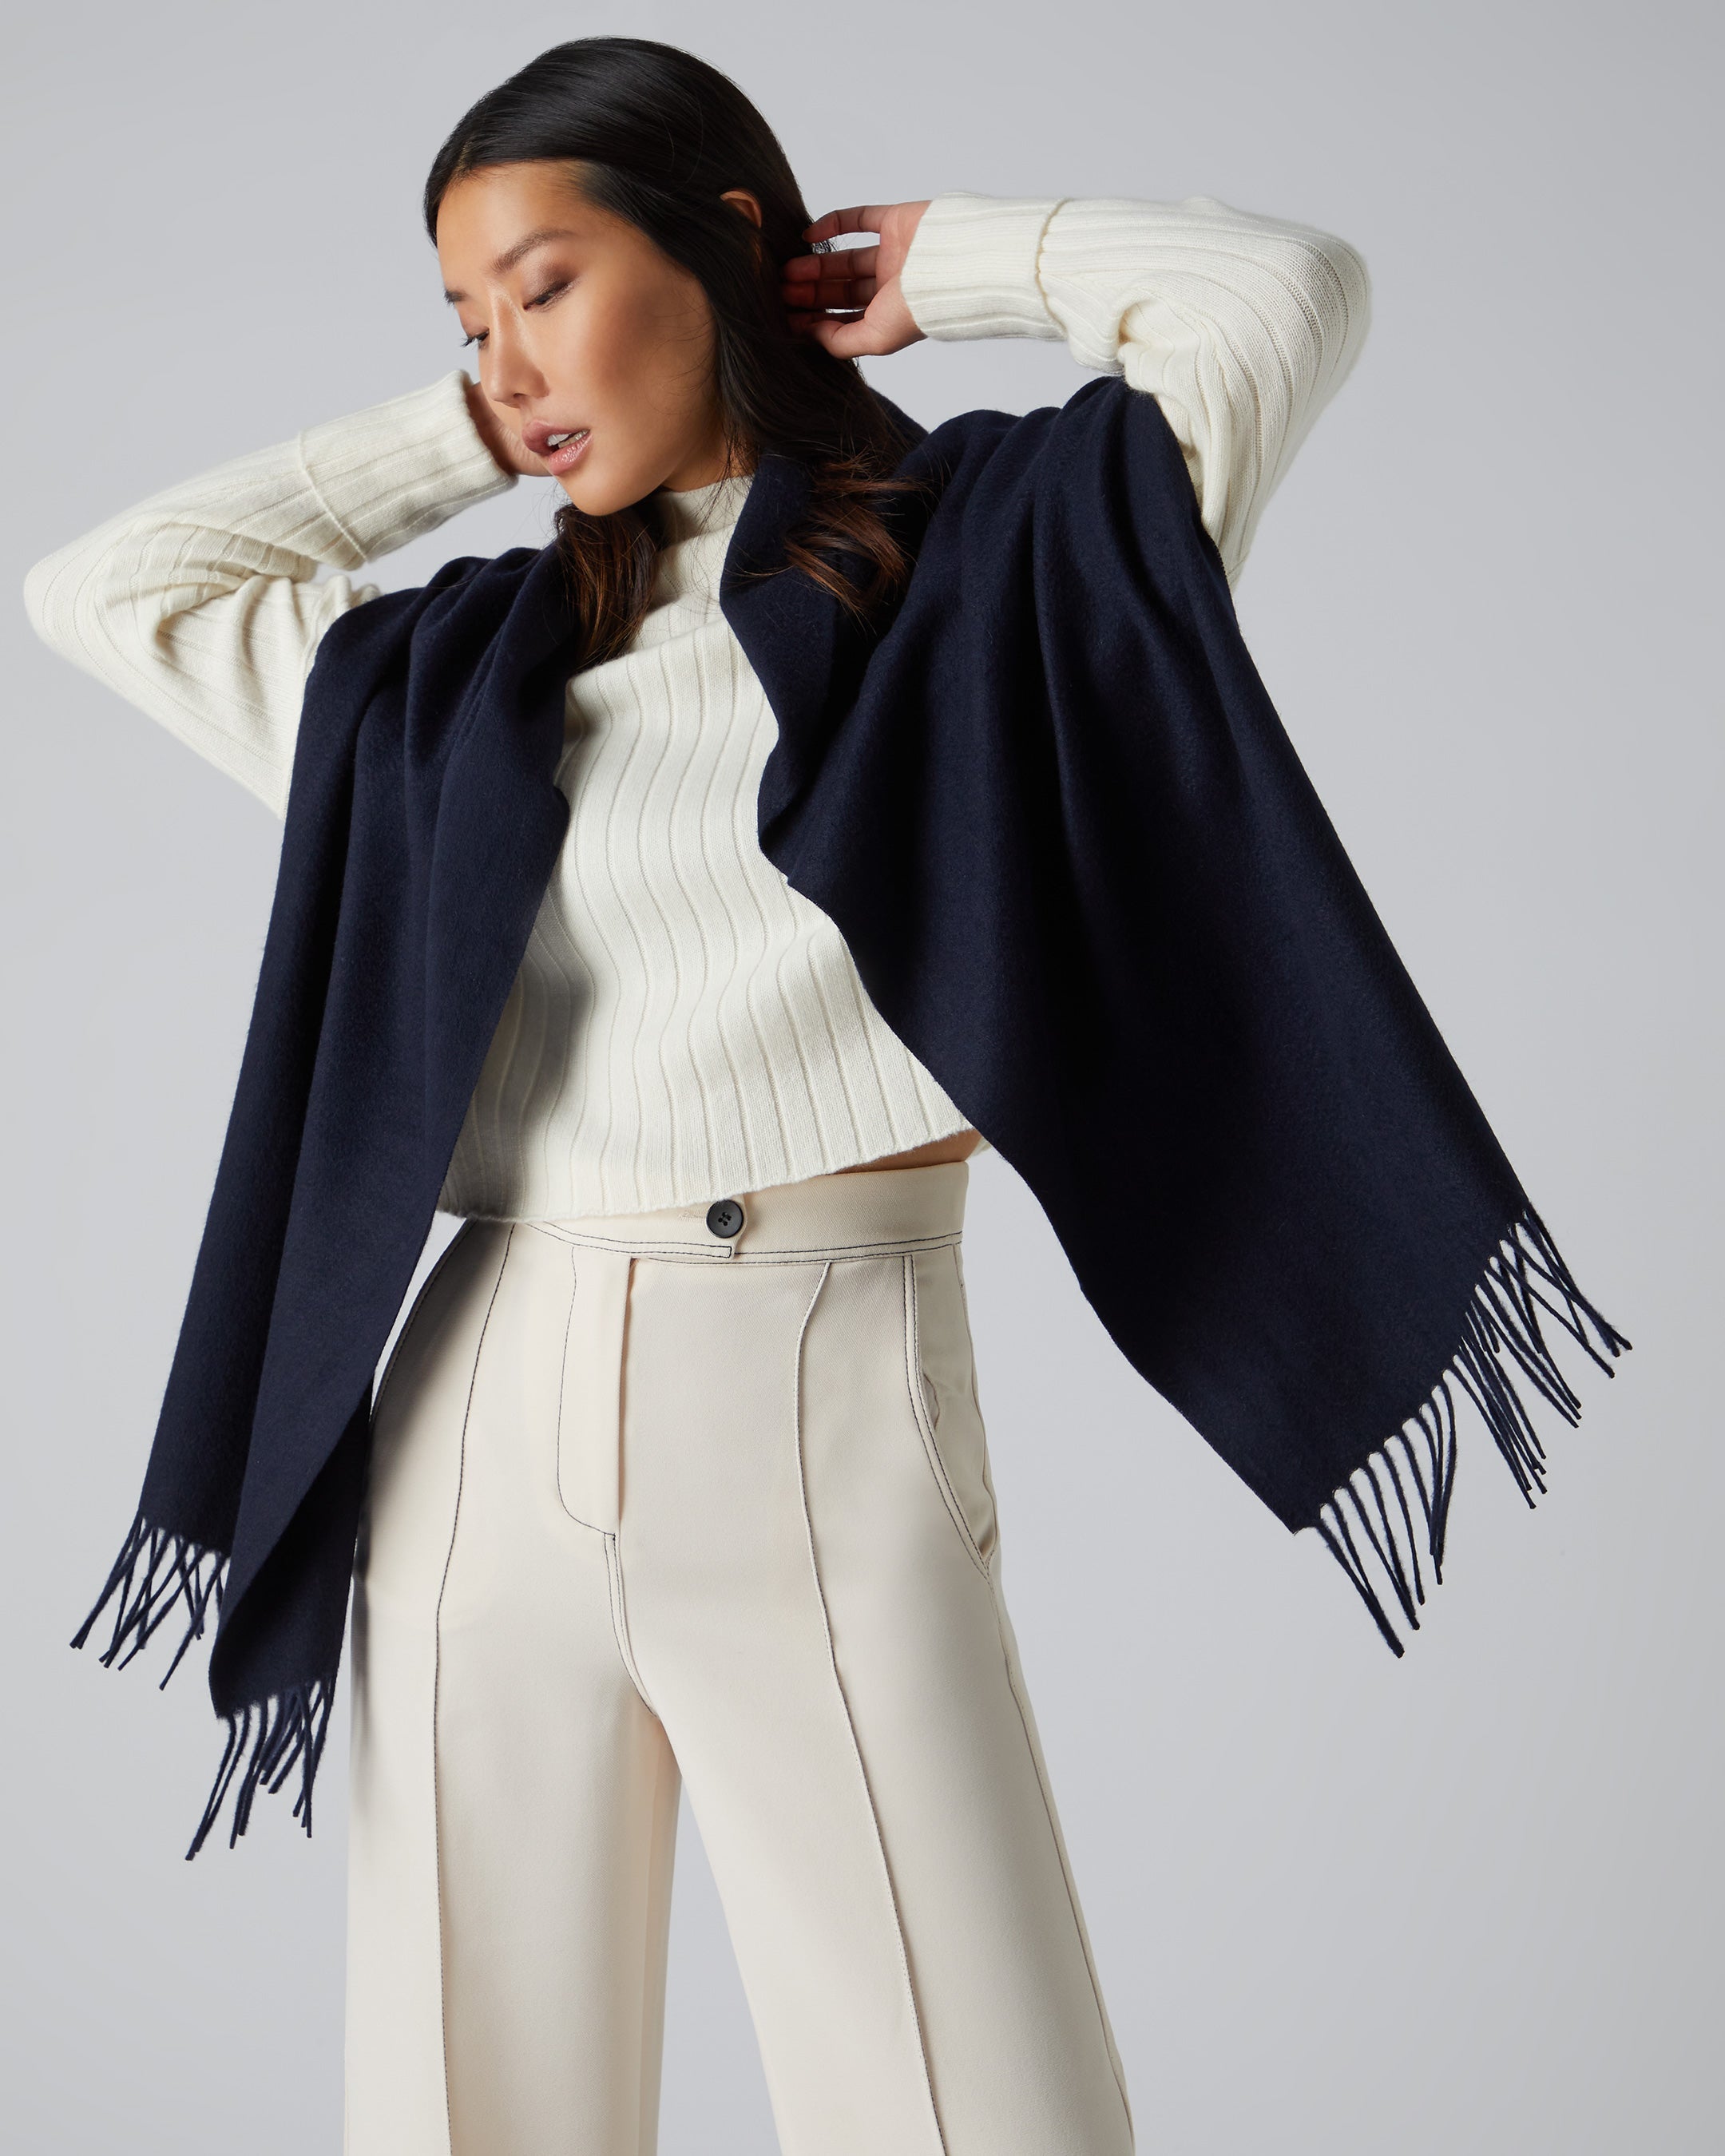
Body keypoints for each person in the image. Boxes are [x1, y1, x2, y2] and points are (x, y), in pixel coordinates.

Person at [25, 32, 1470, 2156]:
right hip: (482, 1401)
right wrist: (460, 432)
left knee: (980, 2110)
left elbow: (1282, 297)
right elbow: (106, 591)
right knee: (465, 2112)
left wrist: (931, 266)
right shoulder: (453, 681)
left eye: (544, 285)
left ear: (717, 247)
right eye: (467, 317)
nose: (513, 354)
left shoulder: (992, 567)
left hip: (818, 1374)